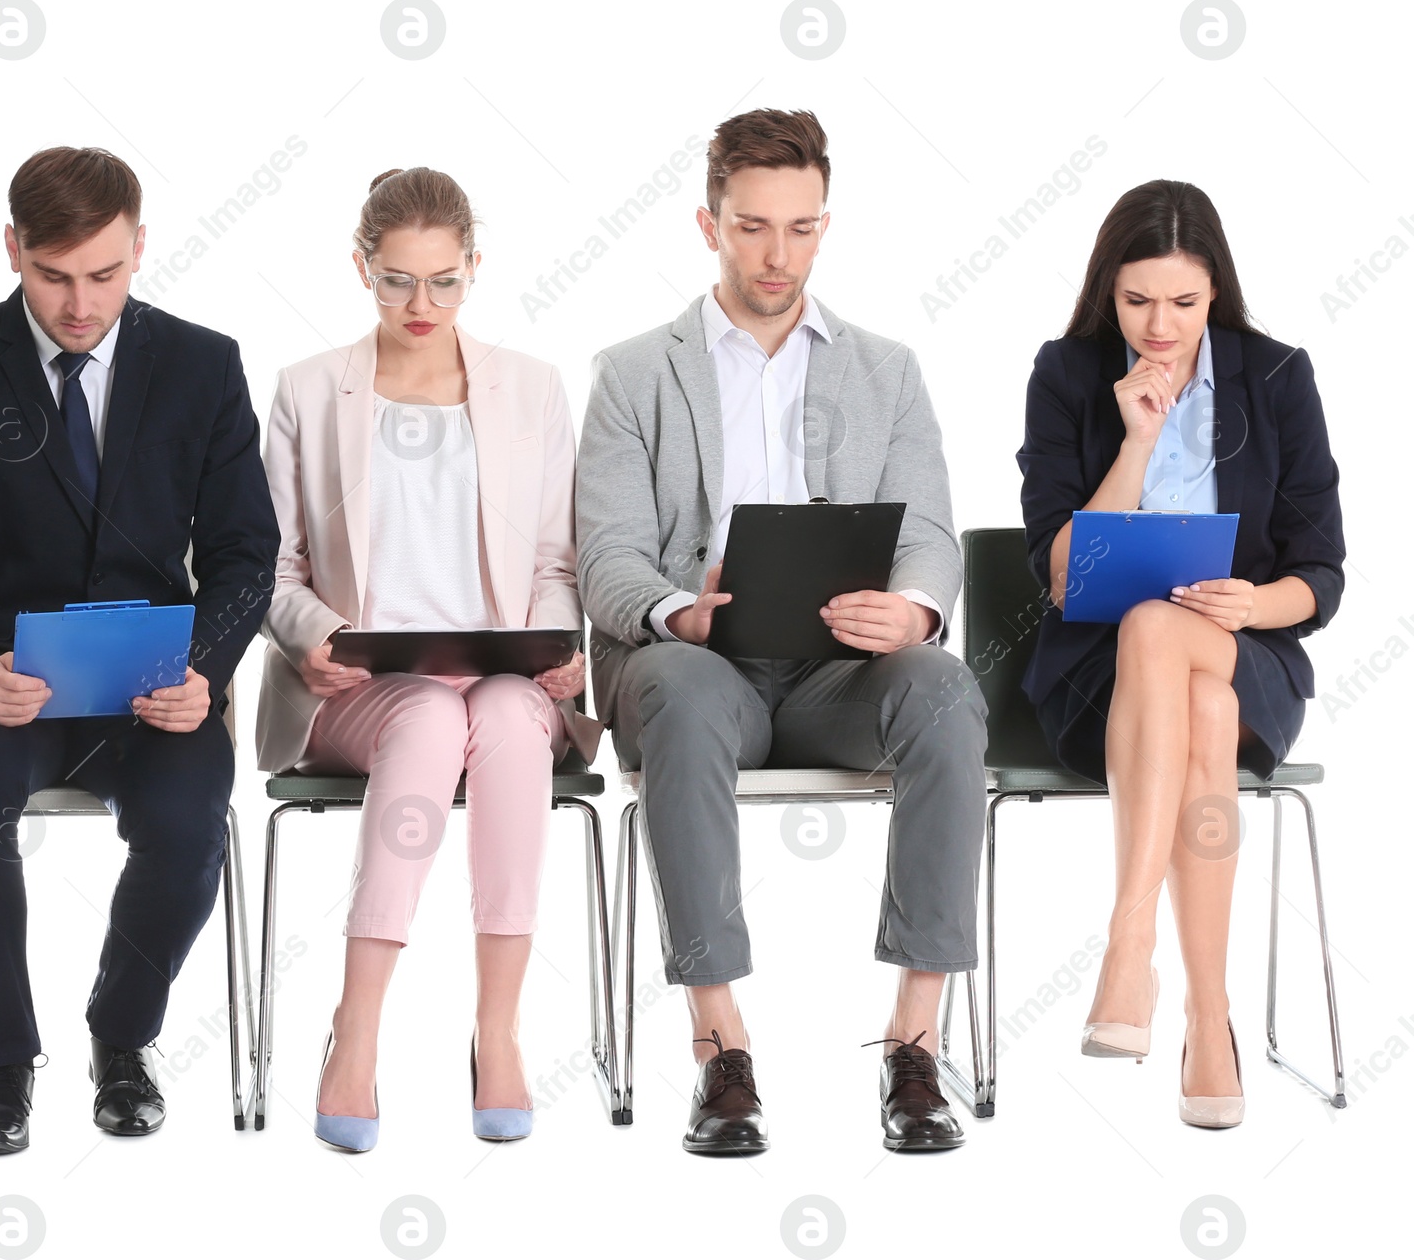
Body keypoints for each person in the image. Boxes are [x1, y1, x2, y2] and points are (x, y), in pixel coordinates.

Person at [576, 109, 988, 1155]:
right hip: (696, 663)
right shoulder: (633, 372)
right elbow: (607, 554)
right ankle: (721, 1048)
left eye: (800, 229)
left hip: (840, 671)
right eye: (752, 226)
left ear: (824, 224)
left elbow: (930, 531)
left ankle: (913, 1042)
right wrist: (679, 606)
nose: (776, 254)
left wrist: (916, 608)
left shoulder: (884, 369)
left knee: (942, 687)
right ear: (706, 223)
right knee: (673, 685)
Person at [0, 147, 280, 1154]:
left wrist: (206, 672)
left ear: (139, 247)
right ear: (13, 250)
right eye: (53, 276)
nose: (80, 302)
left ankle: (122, 1041)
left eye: (104, 273)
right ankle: (3, 1067)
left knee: (189, 823)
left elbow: (243, 551)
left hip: (152, 690)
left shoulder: (200, 362)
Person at [255, 167, 600, 1151]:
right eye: (397, 280)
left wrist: (554, 645)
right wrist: (311, 632)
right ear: (360, 268)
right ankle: (355, 1027)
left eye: (443, 281)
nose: (421, 305)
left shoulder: (530, 387)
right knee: (428, 716)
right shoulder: (308, 390)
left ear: (474, 270)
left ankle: (498, 1027)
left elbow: (553, 560)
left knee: (486, 715)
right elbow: (271, 566)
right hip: (361, 688)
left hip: (506, 682)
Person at [1017, 179, 1346, 1127]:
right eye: (1136, 301)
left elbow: (1320, 577)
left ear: (1216, 292)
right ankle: (1210, 1019)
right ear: (1106, 290)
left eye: (1184, 302)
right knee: (1166, 661)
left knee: (1172, 636)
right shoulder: (1068, 374)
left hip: (1249, 663)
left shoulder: (1277, 376)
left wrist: (1253, 602)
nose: (1160, 325)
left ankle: (1129, 949)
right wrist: (1138, 439)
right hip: (1099, 682)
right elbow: (1064, 576)